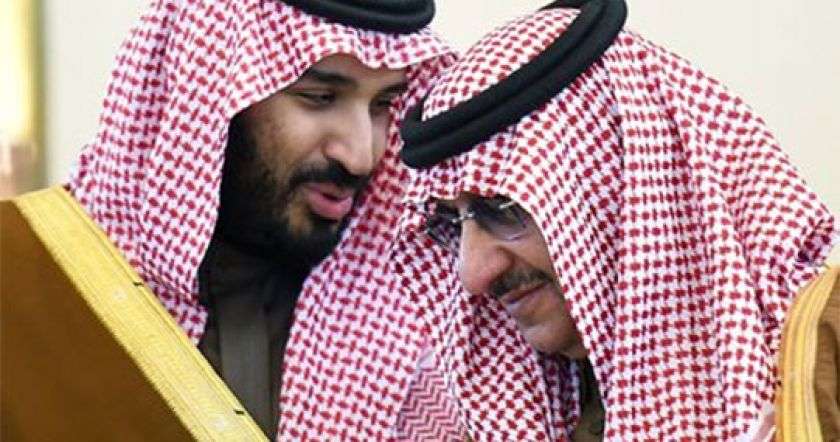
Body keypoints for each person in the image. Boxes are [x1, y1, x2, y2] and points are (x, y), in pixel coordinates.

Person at [2, 0, 454, 438]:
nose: (361, 155)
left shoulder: (420, 338)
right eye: (319, 97)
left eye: (383, 105)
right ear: (205, 93)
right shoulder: (27, 283)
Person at [394, 0, 839, 439]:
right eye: (452, 224)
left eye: (504, 209)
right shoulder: (530, 406)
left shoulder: (824, 354)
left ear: (630, 181)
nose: (473, 274)